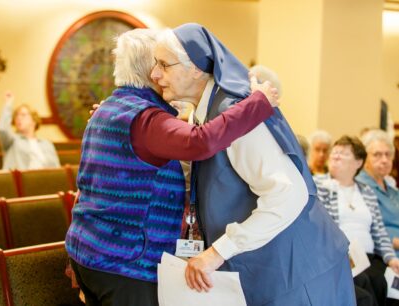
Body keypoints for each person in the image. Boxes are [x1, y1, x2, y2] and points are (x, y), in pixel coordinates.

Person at [65, 28, 278, 306]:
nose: (161, 74)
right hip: (125, 263)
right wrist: (257, 103)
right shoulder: (144, 119)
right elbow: (200, 142)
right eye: (162, 64)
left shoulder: (108, 110)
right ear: (150, 70)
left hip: (89, 253)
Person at [151, 23, 355, 305]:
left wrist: (216, 253)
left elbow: (287, 195)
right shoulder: (202, 114)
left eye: (164, 64)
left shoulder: (234, 115)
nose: (155, 74)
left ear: (196, 67)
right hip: (271, 270)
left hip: (298, 272)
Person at [314, 135, 399, 306]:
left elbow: (379, 231)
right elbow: (322, 228)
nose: (336, 156)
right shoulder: (320, 186)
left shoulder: (366, 191)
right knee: (364, 282)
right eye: (335, 152)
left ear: (358, 162)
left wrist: (391, 258)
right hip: (340, 255)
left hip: (368, 257)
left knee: (387, 282)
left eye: (344, 153)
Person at [356, 129, 399, 257]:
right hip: (383, 256)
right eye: (377, 155)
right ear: (364, 158)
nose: (384, 160)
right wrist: (395, 242)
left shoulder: (393, 191)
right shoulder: (359, 187)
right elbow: (366, 229)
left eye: (388, 154)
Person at [0, 91, 60, 170]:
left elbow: (57, 168)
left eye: (23, 115)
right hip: (20, 180)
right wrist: (8, 104)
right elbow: (2, 130)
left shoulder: (47, 144)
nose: (18, 118)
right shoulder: (12, 141)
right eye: (16, 116)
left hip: (45, 180)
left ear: (34, 120)